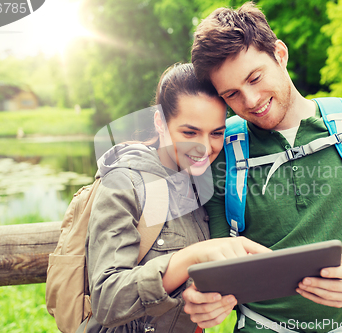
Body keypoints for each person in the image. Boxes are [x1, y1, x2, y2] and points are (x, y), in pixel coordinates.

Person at [182, 3, 342, 332]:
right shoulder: (222, 151)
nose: (250, 101)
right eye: (232, 94)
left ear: (280, 53)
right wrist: (202, 298)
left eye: (255, 78)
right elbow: (219, 260)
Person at [76, 63, 269, 333]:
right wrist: (189, 258)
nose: (203, 148)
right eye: (189, 133)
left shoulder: (205, 181)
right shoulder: (124, 184)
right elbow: (107, 301)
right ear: (160, 123)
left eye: (216, 133)